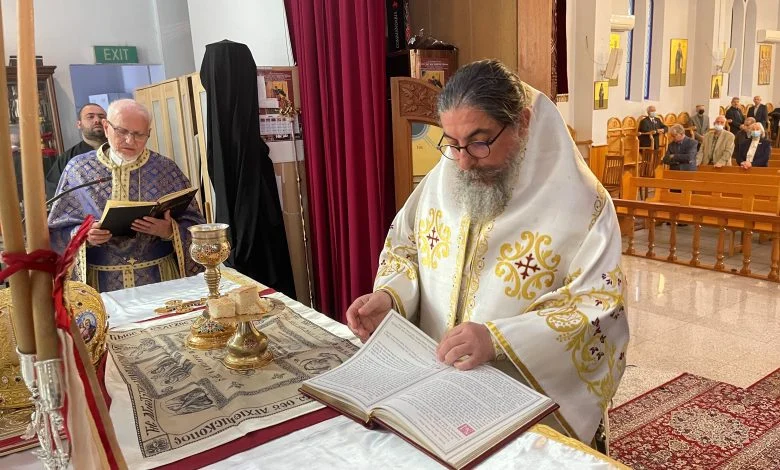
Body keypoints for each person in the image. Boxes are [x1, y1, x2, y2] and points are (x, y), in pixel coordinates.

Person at [346, 60, 628, 446]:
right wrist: (390, 296)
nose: (463, 161)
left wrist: (498, 339)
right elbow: (406, 248)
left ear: (523, 122)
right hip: (436, 391)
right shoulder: (442, 181)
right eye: (452, 142)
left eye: (480, 142)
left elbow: (599, 306)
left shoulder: (582, 204)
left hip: (522, 404)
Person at [48, 99, 205, 292]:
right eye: (122, 132)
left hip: (161, 279)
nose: (130, 141)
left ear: (149, 133)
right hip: (101, 283)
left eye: (139, 134)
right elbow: (56, 230)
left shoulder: (165, 168)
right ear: (106, 127)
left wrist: (170, 231)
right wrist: (84, 235)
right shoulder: (78, 170)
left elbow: (196, 224)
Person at [45, 103, 108, 199]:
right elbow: (54, 191)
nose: (97, 120)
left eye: (101, 116)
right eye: (90, 117)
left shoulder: (121, 151)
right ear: (79, 124)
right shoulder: (68, 159)